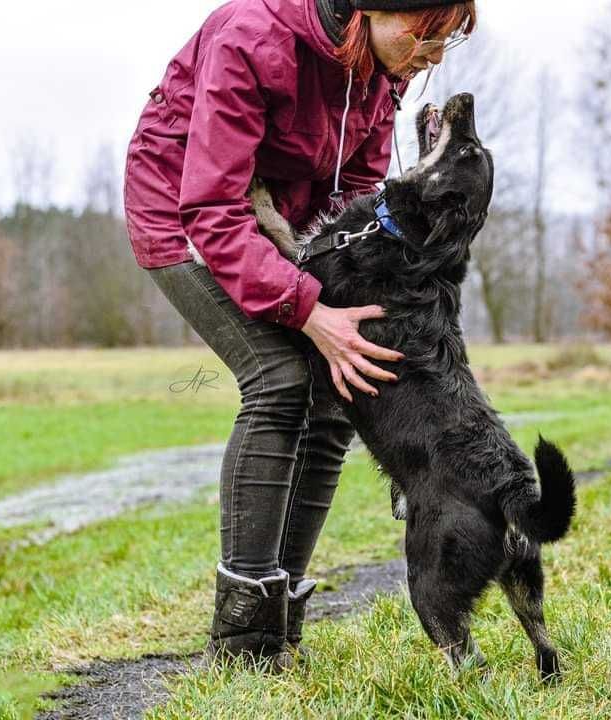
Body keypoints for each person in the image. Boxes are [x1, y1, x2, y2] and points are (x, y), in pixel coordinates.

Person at [123, 0, 477, 671]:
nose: (432, 54)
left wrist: (367, 290)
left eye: (446, 42)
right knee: (280, 381)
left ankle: (278, 621)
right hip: (187, 214)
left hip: (280, 222)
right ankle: (242, 642)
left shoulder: (380, 65)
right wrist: (309, 310)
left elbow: (359, 190)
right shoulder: (251, 39)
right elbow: (212, 209)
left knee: (338, 386)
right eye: (425, 34)